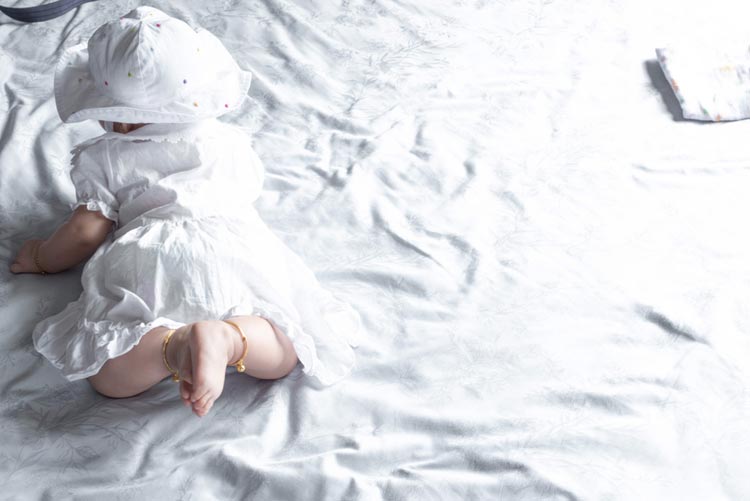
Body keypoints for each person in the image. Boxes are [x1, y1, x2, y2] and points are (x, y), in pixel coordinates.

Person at [9, 6, 362, 418]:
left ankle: (173, 348)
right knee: (284, 347)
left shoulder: (104, 157)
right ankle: (228, 340)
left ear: (115, 118)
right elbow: (246, 188)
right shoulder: (228, 142)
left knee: (108, 374)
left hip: (151, 259)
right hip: (237, 251)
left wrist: (40, 257)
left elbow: (86, 232)